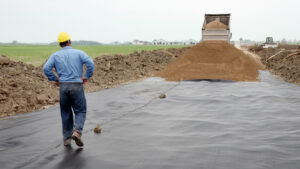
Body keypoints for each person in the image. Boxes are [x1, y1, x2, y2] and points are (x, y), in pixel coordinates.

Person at [43, 32, 94, 147]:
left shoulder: (55, 55)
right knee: (80, 111)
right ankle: (77, 132)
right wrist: (86, 77)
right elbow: (90, 63)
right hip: (77, 85)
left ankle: (67, 139)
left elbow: (46, 68)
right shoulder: (79, 53)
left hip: (63, 86)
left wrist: (55, 79)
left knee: (65, 112)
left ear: (60, 45)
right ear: (70, 42)